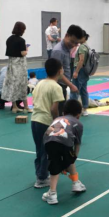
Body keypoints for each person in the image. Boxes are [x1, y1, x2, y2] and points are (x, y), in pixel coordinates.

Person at [42, 99, 87, 205]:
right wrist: (73, 158)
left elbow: (49, 134)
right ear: (79, 114)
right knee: (67, 160)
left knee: (55, 165)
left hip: (48, 141)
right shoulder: (78, 124)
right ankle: (74, 184)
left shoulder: (57, 118)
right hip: (65, 141)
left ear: (63, 112)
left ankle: (53, 193)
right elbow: (77, 144)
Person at [31, 58, 65, 189]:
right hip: (46, 121)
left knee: (39, 149)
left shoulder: (40, 83)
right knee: (46, 150)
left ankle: (40, 175)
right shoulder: (56, 87)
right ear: (59, 71)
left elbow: (35, 100)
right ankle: (42, 178)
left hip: (35, 120)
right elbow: (54, 108)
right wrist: (57, 124)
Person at [51, 25, 83, 114]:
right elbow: (57, 73)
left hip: (62, 86)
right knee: (58, 113)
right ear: (66, 35)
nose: (73, 45)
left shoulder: (67, 48)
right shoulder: (58, 51)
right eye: (72, 42)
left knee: (61, 111)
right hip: (58, 87)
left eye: (76, 43)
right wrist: (71, 85)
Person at [2, 21, 31, 113]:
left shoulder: (9, 39)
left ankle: (14, 107)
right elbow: (23, 53)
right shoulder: (21, 40)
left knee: (12, 85)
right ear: (21, 30)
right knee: (23, 85)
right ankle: (26, 107)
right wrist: (26, 49)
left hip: (11, 65)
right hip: (19, 66)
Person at [70, 32, 90, 116]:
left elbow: (81, 60)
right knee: (83, 90)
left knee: (74, 90)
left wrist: (76, 72)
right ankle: (85, 109)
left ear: (84, 37)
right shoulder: (87, 46)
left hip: (80, 69)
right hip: (85, 71)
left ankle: (73, 110)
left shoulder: (82, 47)